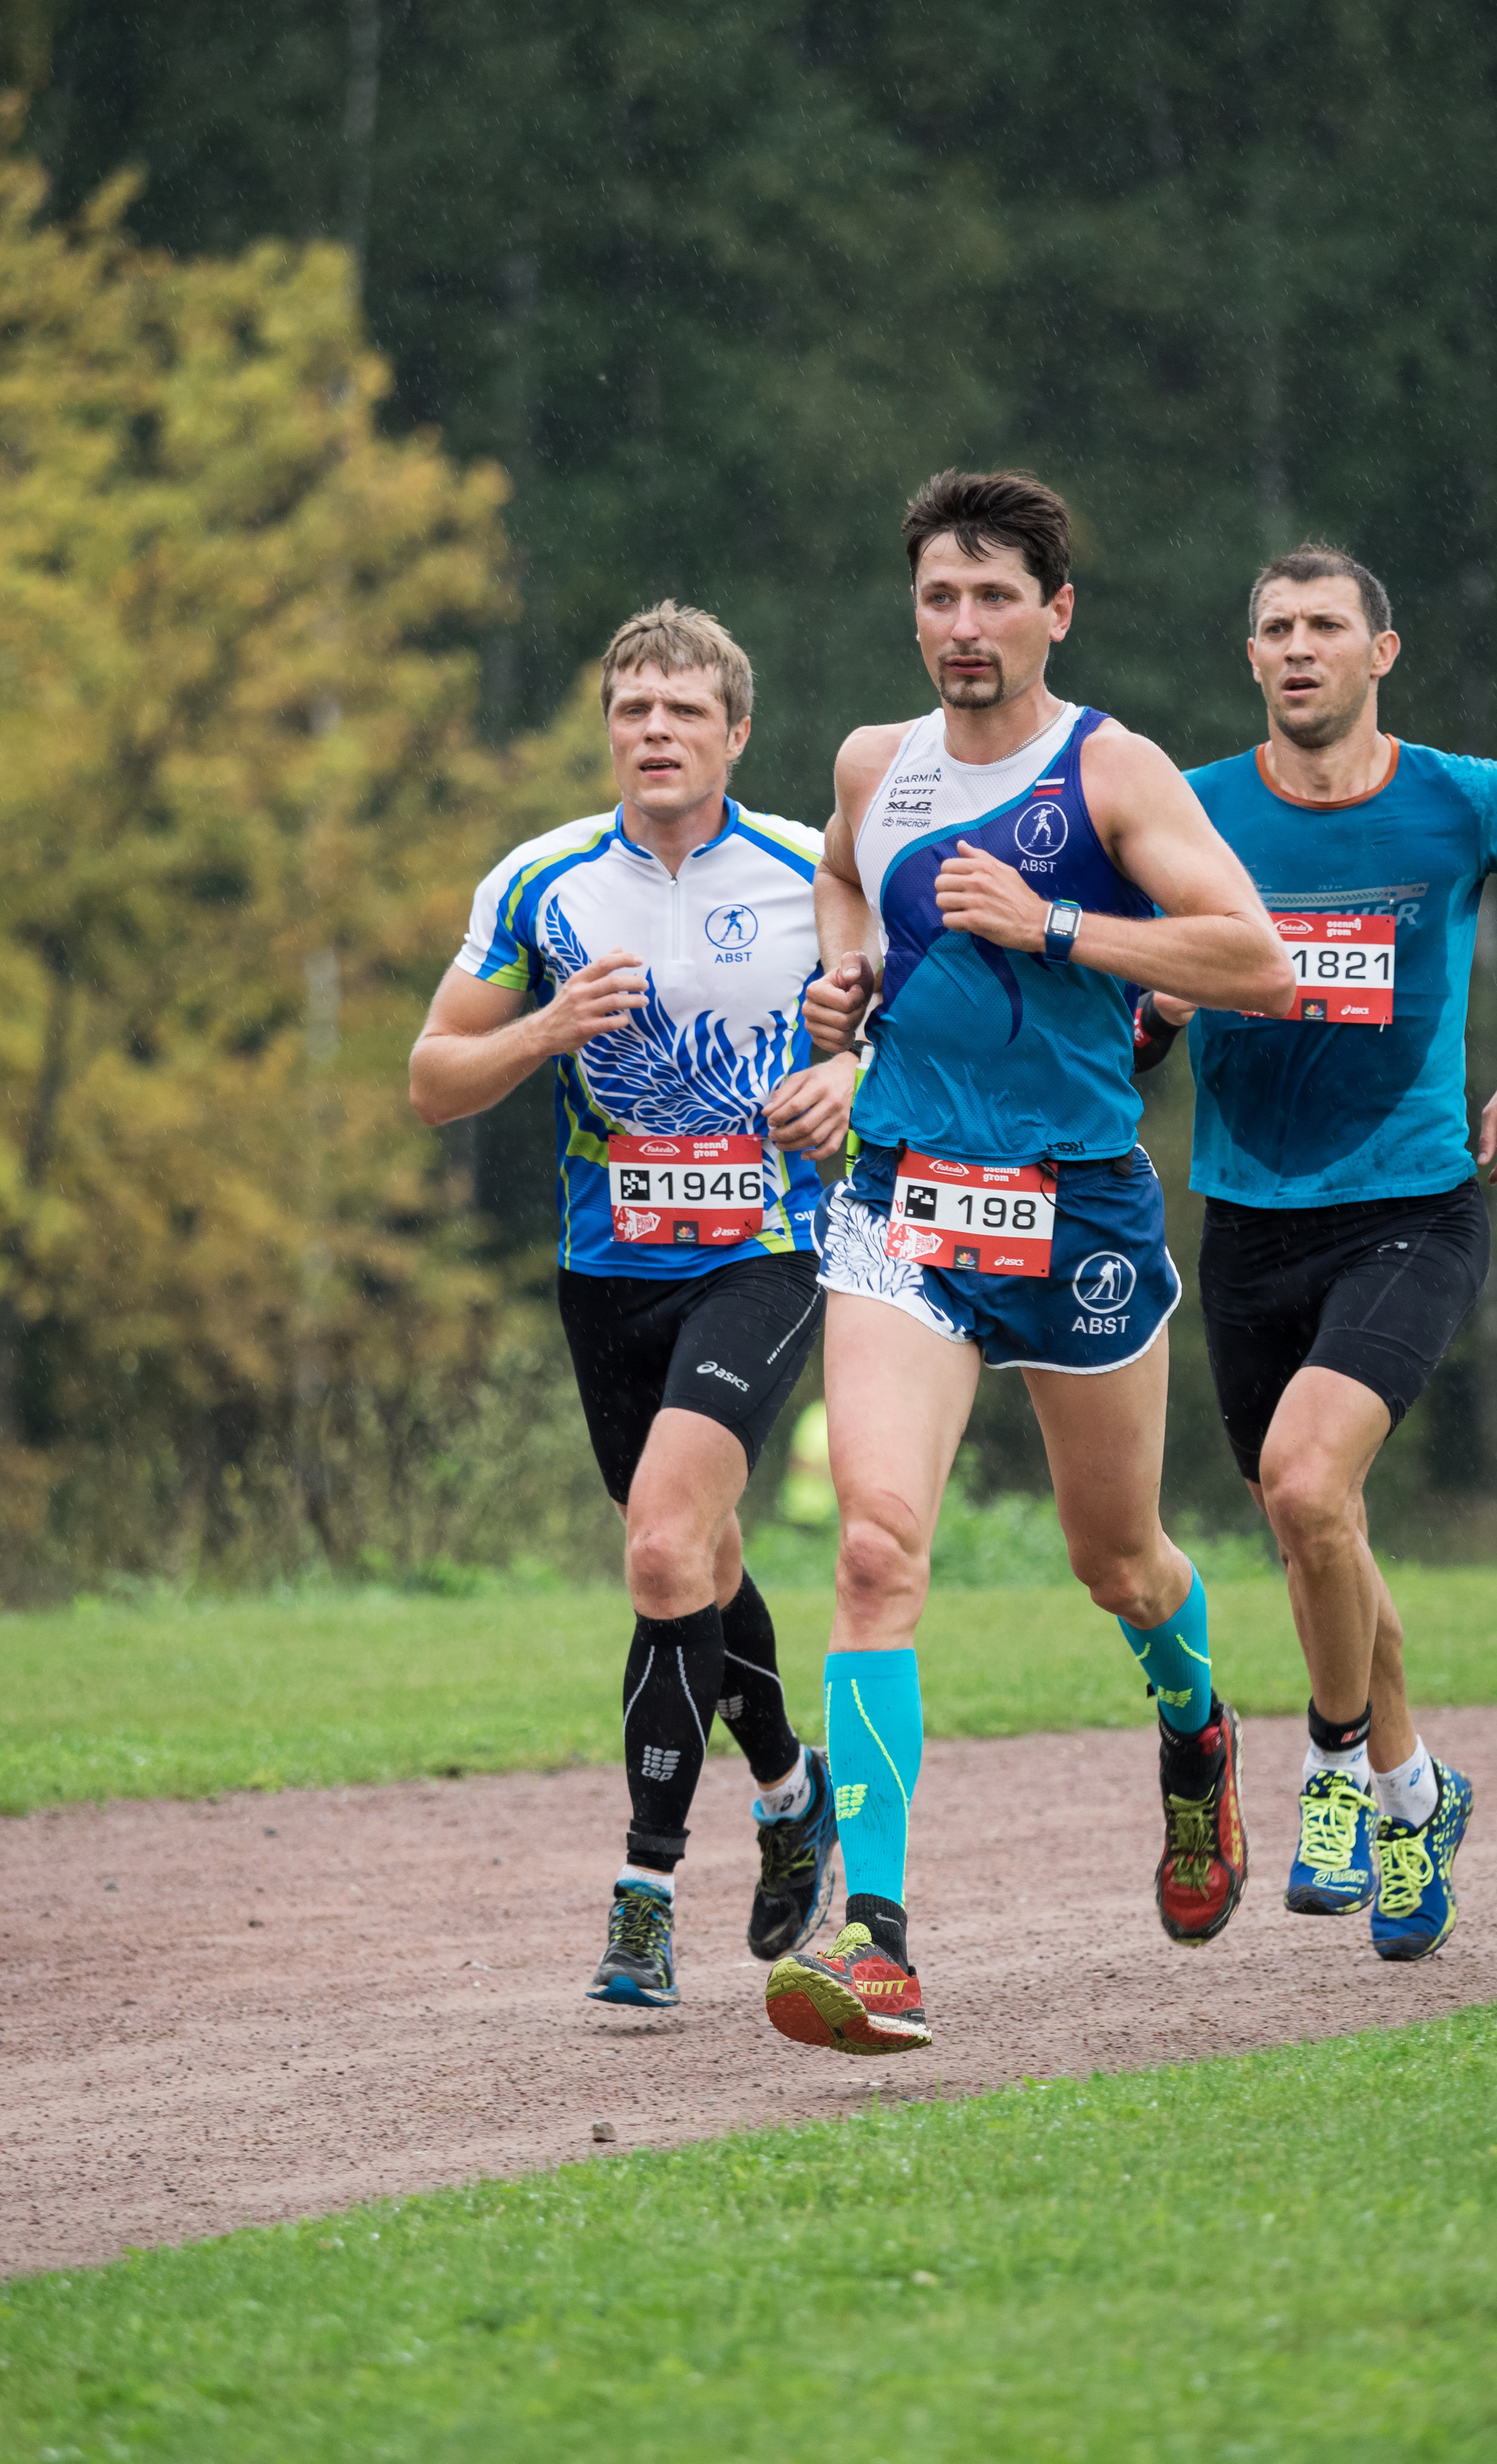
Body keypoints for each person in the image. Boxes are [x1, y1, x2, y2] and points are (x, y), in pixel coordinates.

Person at [761, 470, 1295, 2057]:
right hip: (908, 1199)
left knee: (1115, 1562)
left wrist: (1058, 930)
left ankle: (1194, 1732)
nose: (963, 626)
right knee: (872, 1550)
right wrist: (842, 983)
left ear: (1053, 612)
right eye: (938, 595)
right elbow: (848, 876)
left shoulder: (1109, 771)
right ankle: (875, 1943)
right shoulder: (874, 762)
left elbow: (1255, 959)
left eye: (995, 596)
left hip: (1077, 1216)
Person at [1137, 541, 1497, 1962]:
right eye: (1274, 630)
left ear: (1379, 653)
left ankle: (1337, 1770)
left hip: (1409, 1206)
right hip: (1244, 1223)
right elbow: (1152, 991)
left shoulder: (1464, 801)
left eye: (1323, 628)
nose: (1297, 650)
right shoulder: (1191, 811)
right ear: (1250, 660)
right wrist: (1137, 1033)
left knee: (1303, 1483)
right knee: (1318, 1526)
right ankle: (1422, 1794)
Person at [409, 601, 857, 2010]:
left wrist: (850, 1086)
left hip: (768, 1256)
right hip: (607, 1274)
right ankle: (790, 1790)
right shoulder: (540, 885)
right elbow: (431, 1075)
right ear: (610, 732)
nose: (652, 732)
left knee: (662, 1550)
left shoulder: (813, 872)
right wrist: (541, 1029)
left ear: (734, 733)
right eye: (630, 710)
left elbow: (919, 1038)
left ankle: (644, 1895)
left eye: (680, 711)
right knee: (703, 1558)